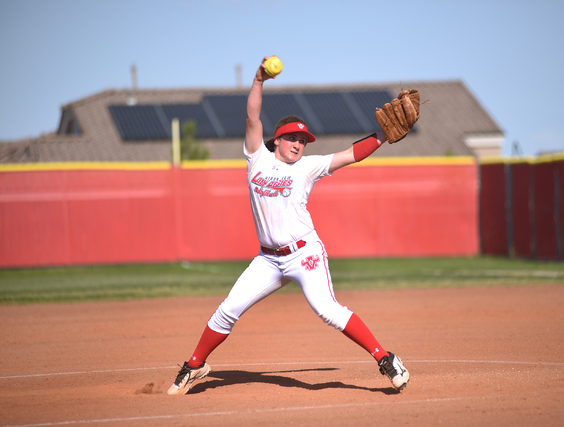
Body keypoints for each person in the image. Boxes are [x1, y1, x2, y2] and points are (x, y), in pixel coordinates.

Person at [167, 57, 409, 395]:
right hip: (268, 259)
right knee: (227, 310)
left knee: (328, 310)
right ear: (277, 140)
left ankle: (386, 359)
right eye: (293, 138)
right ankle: (194, 365)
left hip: (304, 253)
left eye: (303, 139)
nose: (299, 143)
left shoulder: (307, 167)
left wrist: (382, 136)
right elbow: (252, 116)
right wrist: (258, 81)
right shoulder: (257, 158)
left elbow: (349, 154)